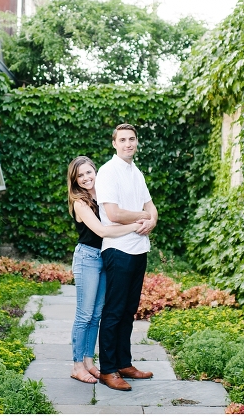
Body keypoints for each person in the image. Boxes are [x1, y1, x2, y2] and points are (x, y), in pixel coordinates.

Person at [67, 155, 147, 384]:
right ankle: (77, 365)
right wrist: (136, 225)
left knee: (96, 315)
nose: (85, 178)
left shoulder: (103, 195)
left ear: (95, 171)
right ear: (74, 180)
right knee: (84, 315)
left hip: (105, 257)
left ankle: (90, 362)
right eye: (79, 175)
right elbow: (102, 231)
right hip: (87, 258)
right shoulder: (80, 202)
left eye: (88, 172)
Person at [94, 124, 158, 391]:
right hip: (118, 249)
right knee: (114, 311)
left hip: (139, 247)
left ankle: (124, 364)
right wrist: (143, 217)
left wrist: (151, 220)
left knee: (129, 311)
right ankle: (108, 370)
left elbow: (151, 207)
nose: (128, 144)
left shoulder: (136, 172)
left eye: (132, 139)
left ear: (136, 142)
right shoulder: (108, 172)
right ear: (114, 143)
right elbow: (114, 213)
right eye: (123, 140)